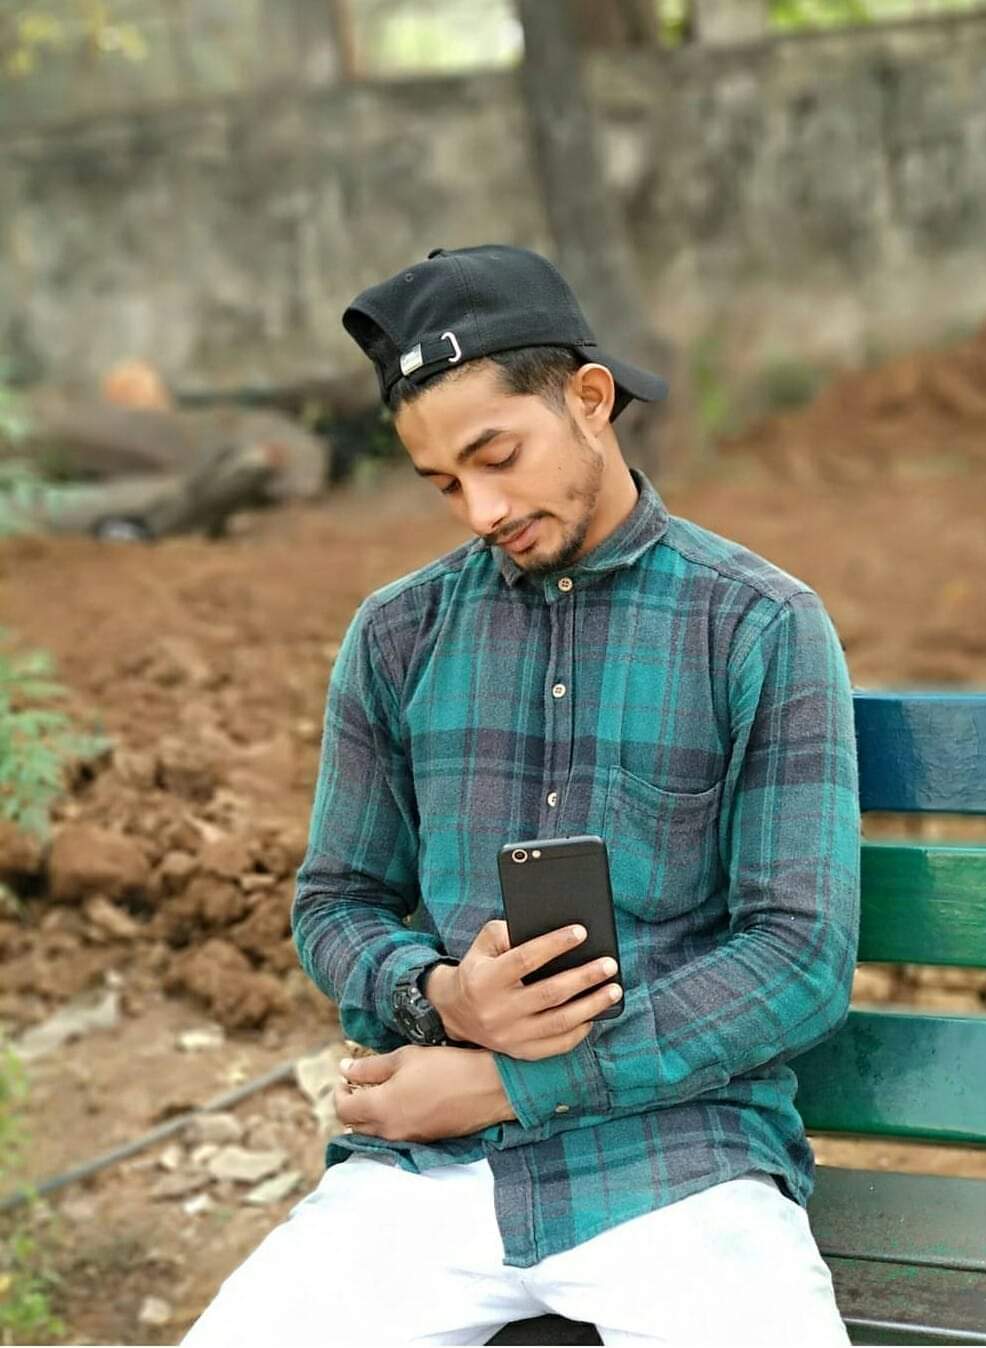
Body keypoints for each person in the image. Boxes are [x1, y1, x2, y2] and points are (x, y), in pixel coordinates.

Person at [183, 244, 860, 1346]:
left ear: (588, 398)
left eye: (496, 457)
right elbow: (335, 902)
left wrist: (512, 1084)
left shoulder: (756, 626)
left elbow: (798, 960)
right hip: (423, 1174)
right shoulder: (397, 636)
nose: (480, 510)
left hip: (678, 1168)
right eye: (444, 484)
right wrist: (440, 998)